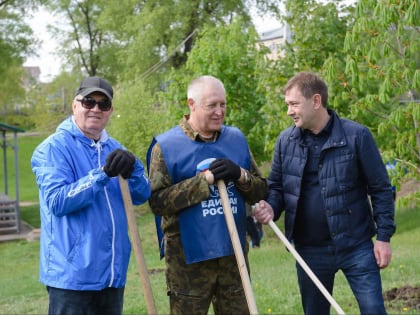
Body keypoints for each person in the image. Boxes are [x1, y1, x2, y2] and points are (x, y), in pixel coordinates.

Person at [253, 72, 396, 315]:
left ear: (316, 101)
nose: (289, 111)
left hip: (356, 246)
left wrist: (383, 237)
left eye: (294, 104)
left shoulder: (357, 136)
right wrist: (271, 207)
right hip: (309, 250)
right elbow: (276, 188)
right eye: (287, 105)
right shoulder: (285, 141)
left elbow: (381, 189)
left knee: (374, 310)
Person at [147, 75, 267, 315]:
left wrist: (240, 175)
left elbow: (261, 190)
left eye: (223, 104)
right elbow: (157, 202)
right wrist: (203, 182)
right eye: (211, 105)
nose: (219, 112)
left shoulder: (236, 140)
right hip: (188, 261)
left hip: (233, 258)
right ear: (191, 104)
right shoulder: (167, 147)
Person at [31, 76, 151, 315]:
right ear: (75, 105)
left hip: (112, 276)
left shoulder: (115, 148)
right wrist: (102, 174)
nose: (96, 109)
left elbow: (141, 194)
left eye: (103, 104)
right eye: (88, 102)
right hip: (72, 278)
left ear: (110, 111)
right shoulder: (53, 148)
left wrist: (135, 168)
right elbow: (57, 201)